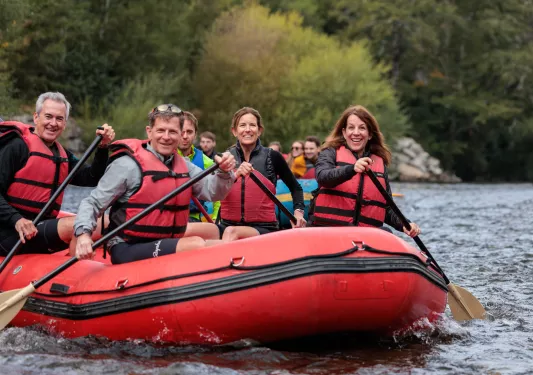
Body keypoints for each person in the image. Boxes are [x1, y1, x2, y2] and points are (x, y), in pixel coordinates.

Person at [73, 104, 237, 264]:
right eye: (160, 130)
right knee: (195, 243)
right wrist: (83, 234)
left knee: (211, 242)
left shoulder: (184, 166)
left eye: (172, 131)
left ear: (180, 135)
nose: (166, 137)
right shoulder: (127, 165)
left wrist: (224, 172)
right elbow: (92, 202)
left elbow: (213, 192)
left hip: (165, 241)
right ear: (149, 132)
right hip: (127, 246)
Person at [0, 92, 115, 256]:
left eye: (59, 119)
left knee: (107, 222)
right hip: (9, 231)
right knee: (78, 224)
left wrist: (103, 148)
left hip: (38, 229)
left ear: (64, 123)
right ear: (36, 117)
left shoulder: (62, 155)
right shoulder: (16, 147)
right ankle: (76, 273)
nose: (53, 123)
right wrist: (17, 220)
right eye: (48, 116)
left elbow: (91, 178)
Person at [307, 105, 421, 237]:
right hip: (328, 232)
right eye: (351, 127)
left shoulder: (379, 162)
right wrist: (352, 169)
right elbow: (323, 177)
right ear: (344, 132)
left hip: (364, 237)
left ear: (370, 134)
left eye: (362, 128)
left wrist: (405, 224)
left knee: (387, 233)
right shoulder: (329, 152)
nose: (356, 132)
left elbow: (386, 207)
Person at [219, 107, 306, 241]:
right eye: (242, 125)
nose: (247, 129)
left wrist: (298, 214)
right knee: (195, 230)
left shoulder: (273, 156)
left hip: (263, 228)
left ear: (259, 131)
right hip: (227, 225)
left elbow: (296, 188)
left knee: (231, 232)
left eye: (252, 125)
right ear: (234, 131)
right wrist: (235, 175)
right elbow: (215, 191)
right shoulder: (226, 157)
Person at [177, 111, 220, 222]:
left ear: (195, 135)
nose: (185, 136)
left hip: (197, 219)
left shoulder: (208, 162)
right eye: (181, 132)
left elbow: (217, 196)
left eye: (189, 132)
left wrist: (215, 218)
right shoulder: (164, 158)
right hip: (170, 218)